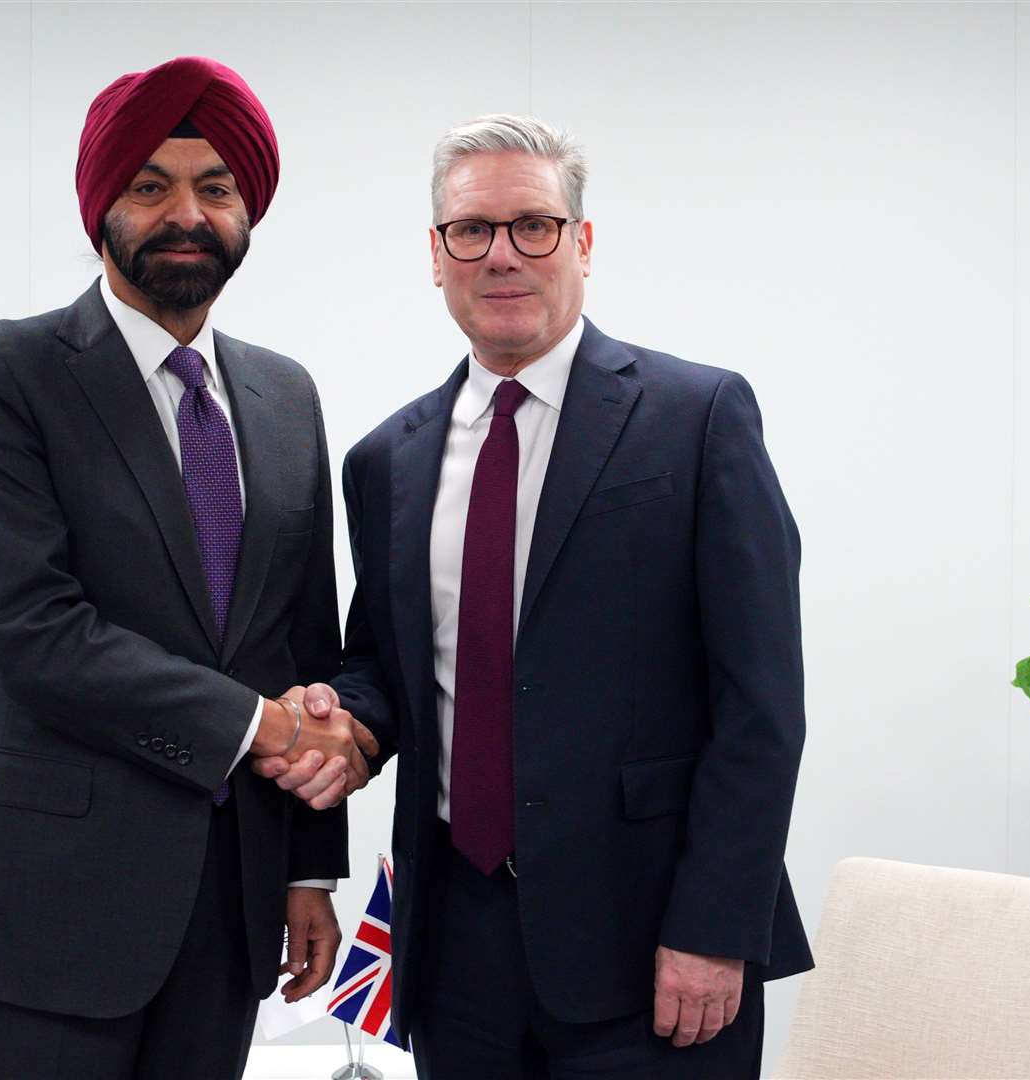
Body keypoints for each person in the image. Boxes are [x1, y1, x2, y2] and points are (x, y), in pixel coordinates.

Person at [256, 114, 813, 1078]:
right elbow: (386, 668)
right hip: (452, 947)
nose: (502, 253)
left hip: (654, 946)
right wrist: (339, 719)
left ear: (582, 243)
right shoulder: (385, 461)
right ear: (436, 256)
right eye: (472, 230)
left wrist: (716, 928)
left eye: (533, 225)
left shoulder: (698, 418)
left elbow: (761, 705)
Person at [0, 55, 373, 1080]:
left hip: (230, 898)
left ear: (247, 209)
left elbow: (301, 638)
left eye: (215, 187)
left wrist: (307, 870)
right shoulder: (2, 373)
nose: (185, 213)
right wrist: (260, 727)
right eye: (149, 184)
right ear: (100, 205)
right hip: (47, 899)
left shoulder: (283, 396)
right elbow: (36, 632)